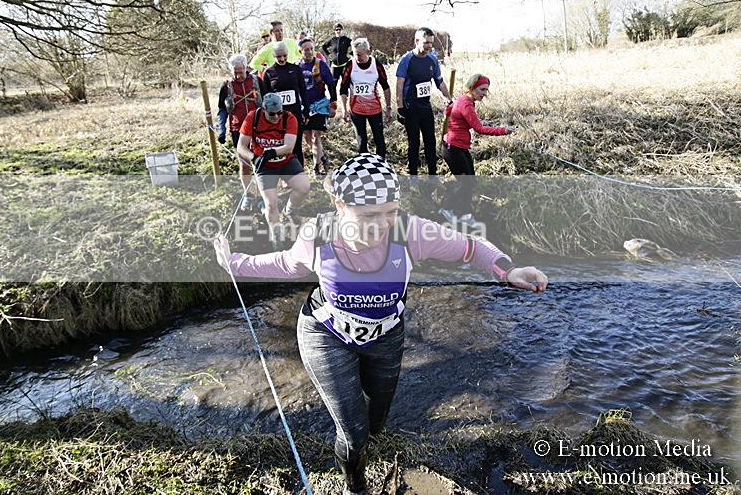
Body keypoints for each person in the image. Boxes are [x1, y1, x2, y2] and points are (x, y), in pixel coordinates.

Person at [213, 153, 548, 495]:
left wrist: (508, 270)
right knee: (354, 431)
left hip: (386, 334)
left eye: (391, 212)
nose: (384, 224)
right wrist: (235, 263)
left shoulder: (410, 230)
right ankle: (355, 486)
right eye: (370, 215)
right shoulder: (318, 234)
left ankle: (367, 442)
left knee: (377, 418)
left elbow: (471, 247)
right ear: (340, 205)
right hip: (325, 332)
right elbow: (288, 265)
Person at [236, 93, 310, 249]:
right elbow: (241, 146)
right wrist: (253, 157)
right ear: (264, 110)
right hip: (264, 166)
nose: (276, 117)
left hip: (285, 161)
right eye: (272, 114)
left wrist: (272, 152)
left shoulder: (289, 118)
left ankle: (290, 210)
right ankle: (277, 237)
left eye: (279, 113)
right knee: (271, 204)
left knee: (304, 187)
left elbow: (289, 146)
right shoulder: (253, 117)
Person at [440, 74, 516, 225]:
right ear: (472, 87)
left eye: (486, 90)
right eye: (482, 89)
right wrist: (504, 131)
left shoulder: (464, 100)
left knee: (470, 181)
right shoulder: (466, 104)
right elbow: (479, 128)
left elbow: (448, 111)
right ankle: (446, 209)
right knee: (465, 182)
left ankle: (464, 214)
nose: (484, 93)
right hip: (453, 148)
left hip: (460, 146)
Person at [395, 27, 453, 185]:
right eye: (426, 42)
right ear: (416, 41)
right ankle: (413, 177)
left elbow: (439, 82)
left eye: (431, 43)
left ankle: (433, 176)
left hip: (425, 106)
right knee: (414, 142)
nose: (429, 46)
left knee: (430, 141)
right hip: (410, 107)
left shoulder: (432, 60)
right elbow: (399, 85)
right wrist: (399, 108)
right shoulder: (407, 59)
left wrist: (448, 98)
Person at [217, 54, 263, 211]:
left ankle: (263, 195)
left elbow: (269, 101)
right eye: (235, 72)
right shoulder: (227, 86)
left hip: (259, 127)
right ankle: (248, 194)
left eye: (241, 71)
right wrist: (222, 129)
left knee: (260, 163)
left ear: (246, 68)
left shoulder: (257, 81)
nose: (238, 75)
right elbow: (222, 109)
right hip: (238, 129)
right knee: (244, 164)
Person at [339, 37, 392, 159]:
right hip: (356, 110)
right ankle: (364, 171)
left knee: (379, 139)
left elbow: (386, 86)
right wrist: (344, 109)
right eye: (355, 54)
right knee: (362, 141)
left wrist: (388, 107)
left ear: (368, 52)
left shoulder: (376, 64)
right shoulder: (350, 65)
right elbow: (343, 89)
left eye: (360, 55)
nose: (357, 58)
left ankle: (382, 168)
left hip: (375, 109)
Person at [262, 41, 310, 168]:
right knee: (281, 146)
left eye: (284, 56)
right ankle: (285, 177)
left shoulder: (295, 69)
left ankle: (300, 174)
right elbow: (265, 98)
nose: (282, 59)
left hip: (294, 114)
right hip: (277, 116)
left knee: (296, 145)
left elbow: (303, 92)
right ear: (273, 56)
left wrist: (306, 112)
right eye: (279, 56)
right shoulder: (268, 73)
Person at [299, 37, 337, 177]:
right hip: (305, 107)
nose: (309, 52)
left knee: (316, 136)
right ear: (300, 51)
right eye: (306, 50)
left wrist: (333, 105)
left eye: (311, 49)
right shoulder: (298, 67)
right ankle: (323, 157)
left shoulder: (320, 64)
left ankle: (317, 168)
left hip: (320, 105)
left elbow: (331, 84)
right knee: (308, 137)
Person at [321, 22, 353, 92]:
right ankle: (334, 100)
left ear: (342, 30)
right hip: (335, 65)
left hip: (344, 65)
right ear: (334, 31)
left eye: (340, 29)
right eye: (336, 30)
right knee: (333, 84)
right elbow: (323, 46)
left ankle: (345, 98)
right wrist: (328, 54)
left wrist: (350, 54)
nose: (338, 31)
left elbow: (355, 45)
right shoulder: (332, 40)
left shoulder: (346, 39)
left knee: (345, 83)